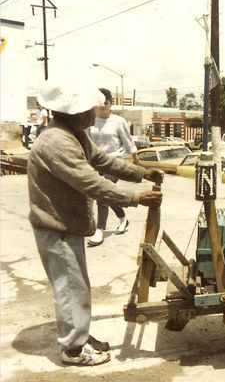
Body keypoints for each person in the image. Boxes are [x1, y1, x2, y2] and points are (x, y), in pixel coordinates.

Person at [28, 78, 163, 366]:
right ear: (76, 113)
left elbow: (102, 161)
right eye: (90, 109)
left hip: (67, 225)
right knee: (70, 288)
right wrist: (136, 197)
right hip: (56, 227)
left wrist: (141, 173)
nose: (94, 114)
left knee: (76, 286)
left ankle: (78, 334)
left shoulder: (73, 134)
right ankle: (73, 349)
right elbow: (90, 181)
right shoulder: (57, 142)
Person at [85, 88, 140, 247]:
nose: (103, 107)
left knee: (102, 193)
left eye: (106, 103)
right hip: (96, 163)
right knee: (108, 193)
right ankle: (123, 219)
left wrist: (136, 160)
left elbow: (128, 142)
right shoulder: (91, 121)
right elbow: (86, 142)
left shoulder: (118, 121)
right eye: (101, 104)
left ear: (110, 103)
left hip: (114, 163)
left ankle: (99, 231)